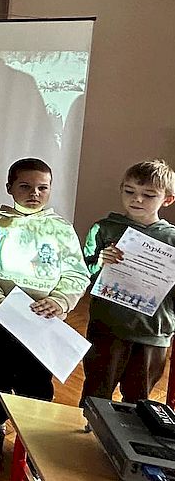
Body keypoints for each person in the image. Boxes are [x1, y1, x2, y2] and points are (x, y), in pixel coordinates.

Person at [0, 158, 89, 464]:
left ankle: (32, 435)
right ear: (9, 187)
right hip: (2, 317)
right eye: (25, 186)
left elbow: (76, 273)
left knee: (37, 379)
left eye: (43, 187)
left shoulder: (61, 229)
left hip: (44, 320)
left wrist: (60, 301)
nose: (34, 193)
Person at [81, 160, 175, 406]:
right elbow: (82, 274)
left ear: (167, 200)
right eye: (130, 191)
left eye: (149, 195)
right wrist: (100, 263)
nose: (137, 199)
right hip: (108, 328)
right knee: (95, 396)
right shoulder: (103, 229)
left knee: (138, 403)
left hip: (153, 332)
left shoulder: (172, 240)